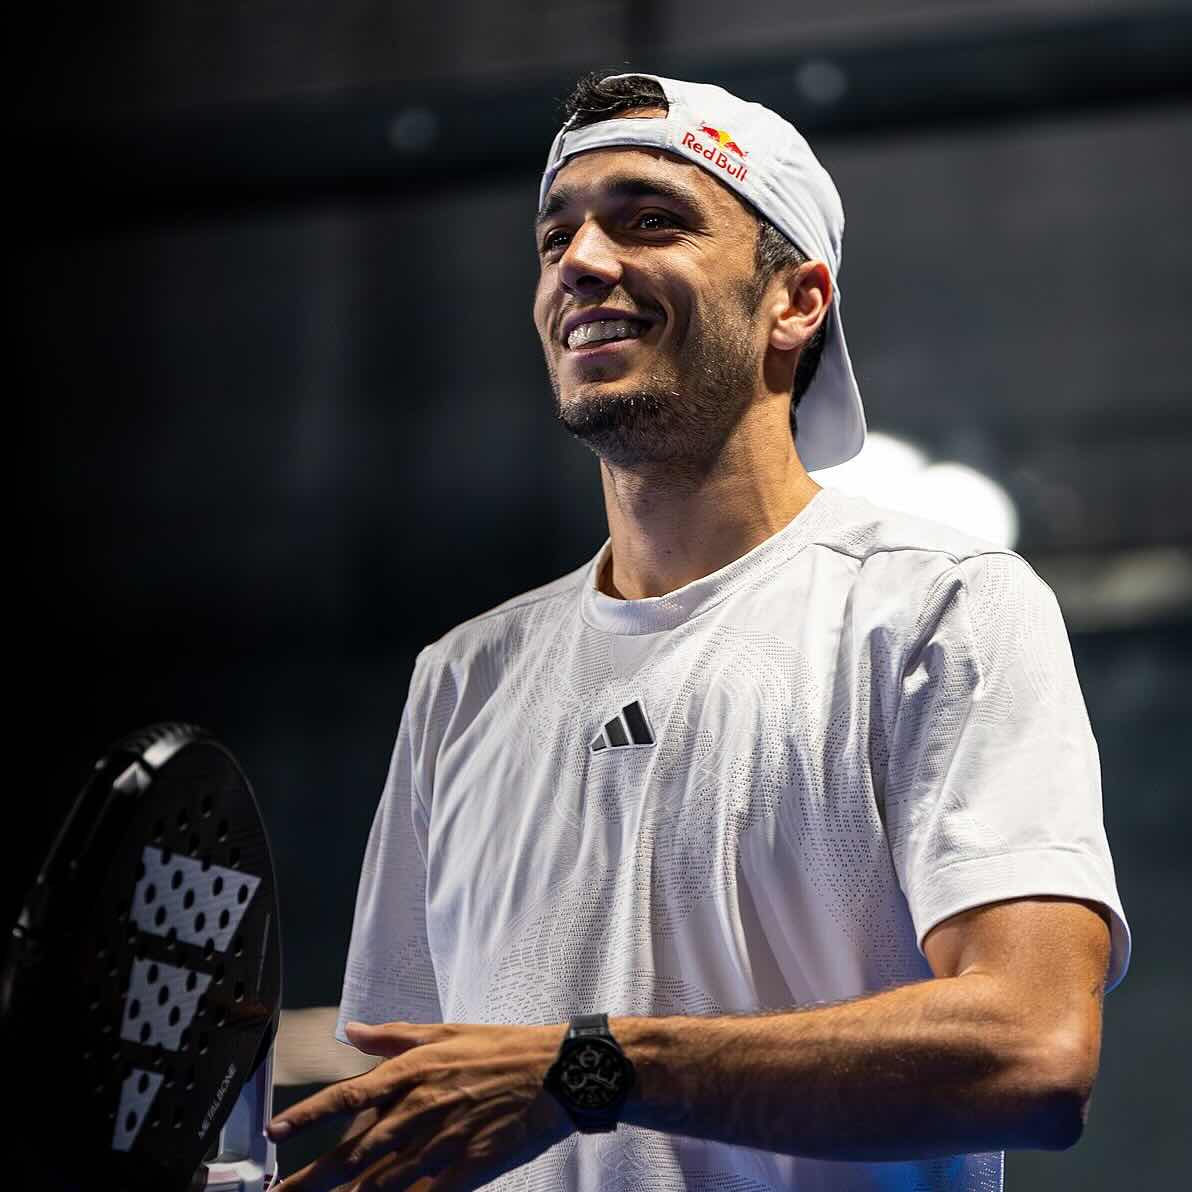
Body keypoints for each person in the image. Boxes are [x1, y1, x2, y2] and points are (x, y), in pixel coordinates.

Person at [266, 72, 1131, 1192]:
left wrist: (587, 1068)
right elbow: (422, 1115)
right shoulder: (462, 681)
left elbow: (1032, 1048)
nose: (578, 261)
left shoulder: (939, 605)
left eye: (651, 220)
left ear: (795, 302)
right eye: (554, 236)